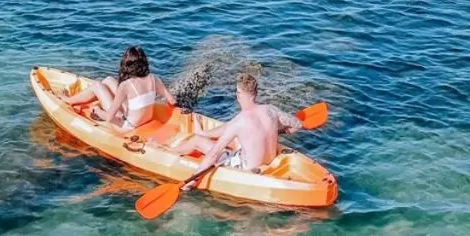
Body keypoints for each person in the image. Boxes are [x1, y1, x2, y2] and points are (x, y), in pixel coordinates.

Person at [173, 72, 302, 174]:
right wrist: (277, 131)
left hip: (247, 168)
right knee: (236, 134)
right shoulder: (271, 110)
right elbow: (297, 125)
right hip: (270, 161)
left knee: (197, 140)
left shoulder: (240, 121)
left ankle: (169, 151)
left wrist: (194, 178)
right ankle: (204, 133)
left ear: (239, 94)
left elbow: (214, 154)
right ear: (255, 93)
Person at [65, 45, 174, 131]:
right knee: (108, 80)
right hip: (144, 119)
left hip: (126, 126)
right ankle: (93, 95)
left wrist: (97, 110)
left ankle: (68, 100)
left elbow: (109, 118)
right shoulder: (154, 78)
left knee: (97, 85)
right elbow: (172, 101)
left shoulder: (126, 85)